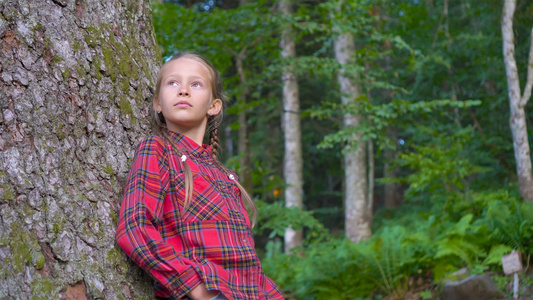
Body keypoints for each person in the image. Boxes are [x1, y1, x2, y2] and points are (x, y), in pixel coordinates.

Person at [115, 53, 284, 300]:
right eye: (173, 83)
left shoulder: (227, 177)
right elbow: (134, 228)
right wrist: (194, 287)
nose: (183, 90)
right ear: (157, 104)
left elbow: (246, 262)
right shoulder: (159, 150)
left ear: (213, 106)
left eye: (196, 84)